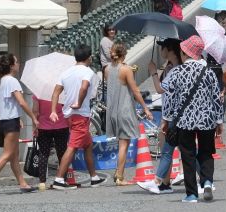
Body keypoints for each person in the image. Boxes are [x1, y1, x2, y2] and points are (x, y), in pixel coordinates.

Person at [161, 35, 224, 203]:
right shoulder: (208, 71)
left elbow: (170, 97)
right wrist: (219, 121)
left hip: (184, 120)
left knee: (187, 155)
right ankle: (207, 182)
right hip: (207, 118)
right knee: (206, 152)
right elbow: (216, 98)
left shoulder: (177, 72)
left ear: (184, 53)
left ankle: (191, 194)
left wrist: (166, 119)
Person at [49, 44, 106, 190]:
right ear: (88, 58)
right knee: (72, 147)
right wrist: (79, 102)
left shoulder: (66, 73)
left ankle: (94, 177)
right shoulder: (87, 72)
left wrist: (53, 110)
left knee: (87, 145)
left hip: (68, 114)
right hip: (80, 114)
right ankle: (59, 180)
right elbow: (84, 87)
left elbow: (55, 92)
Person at [0, 54, 38, 195]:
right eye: (17, 62)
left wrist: (17, 118)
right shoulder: (12, 81)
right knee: (8, 154)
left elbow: (7, 104)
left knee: (13, 155)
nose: (19, 64)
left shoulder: (2, 81)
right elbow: (21, 102)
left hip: (4, 120)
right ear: (11, 66)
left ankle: (23, 183)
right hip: (10, 121)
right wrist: (33, 117)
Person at [105, 42, 152, 185]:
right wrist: (145, 108)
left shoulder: (107, 69)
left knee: (121, 141)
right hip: (124, 108)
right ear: (124, 54)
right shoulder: (126, 69)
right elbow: (135, 90)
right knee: (124, 143)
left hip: (112, 109)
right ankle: (119, 176)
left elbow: (117, 84)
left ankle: (118, 172)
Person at [140, 38, 184, 193]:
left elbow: (159, 89)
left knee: (172, 150)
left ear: (169, 50)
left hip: (172, 115)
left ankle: (161, 181)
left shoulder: (174, 69)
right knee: (173, 149)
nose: (160, 51)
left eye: (162, 48)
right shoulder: (171, 67)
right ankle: (164, 183)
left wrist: (153, 72)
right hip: (172, 114)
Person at [32, 92, 69, 190]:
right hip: (61, 124)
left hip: (43, 126)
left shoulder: (38, 91)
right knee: (62, 153)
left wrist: (34, 126)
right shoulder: (61, 92)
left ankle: (42, 182)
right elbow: (67, 108)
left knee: (43, 153)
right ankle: (62, 179)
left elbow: (35, 111)